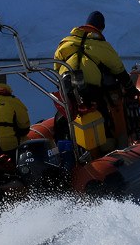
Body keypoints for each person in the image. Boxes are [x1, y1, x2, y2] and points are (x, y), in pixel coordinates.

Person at [54, 10, 132, 148]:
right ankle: (107, 149)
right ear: (101, 28)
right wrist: (130, 87)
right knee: (102, 116)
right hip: (91, 90)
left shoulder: (65, 42)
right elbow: (119, 70)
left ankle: (65, 148)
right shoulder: (103, 46)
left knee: (64, 117)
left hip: (66, 88)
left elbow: (56, 67)